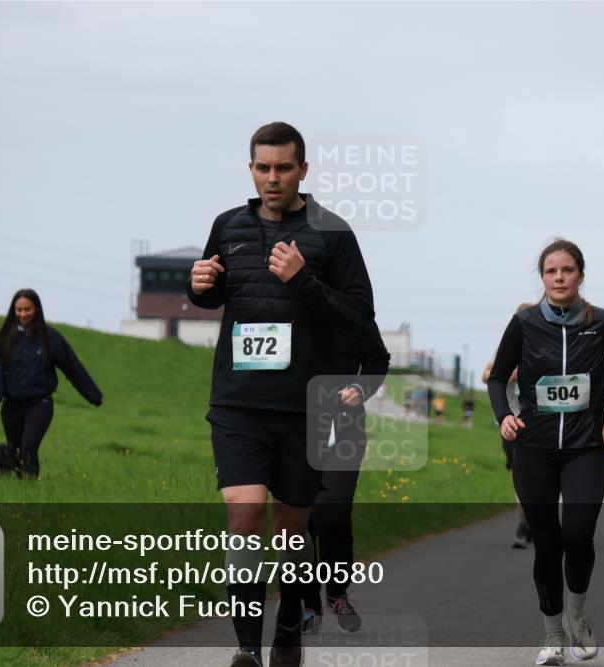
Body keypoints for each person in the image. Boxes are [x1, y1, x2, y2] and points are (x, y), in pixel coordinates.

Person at [187, 122, 375, 667]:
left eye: (283, 168)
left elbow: (360, 316)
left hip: (304, 407)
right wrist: (198, 288)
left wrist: (303, 281)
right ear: (251, 169)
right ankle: (246, 645)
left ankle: (289, 624)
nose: (273, 178)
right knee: (244, 512)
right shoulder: (228, 226)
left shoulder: (333, 234)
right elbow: (216, 292)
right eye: (263, 168)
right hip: (238, 401)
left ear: (303, 170)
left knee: (292, 531)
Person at [487, 239, 604, 665]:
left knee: (579, 535)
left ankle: (577, 615)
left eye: (567, 270)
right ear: (543, 278)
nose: (559, 278)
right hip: (534, 448)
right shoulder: (525, 322)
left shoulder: (603, 323)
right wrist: (504, 417)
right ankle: (551, 634)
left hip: (585, 447)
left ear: (580, 275)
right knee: (547, 542)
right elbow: (497, 377)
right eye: (551, 271)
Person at [302, 320, 390, 634]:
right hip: (294, 424)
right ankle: (309, 602)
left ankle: (337, 594)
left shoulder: (352, 310)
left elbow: (380, 359)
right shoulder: (289, 304)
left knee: (332, 512)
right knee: (302, 518)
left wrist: (360, 388)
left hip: (344, 428)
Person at [0, 289, 102, 477]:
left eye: (27, 309)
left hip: (40, 404)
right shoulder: (3, 337)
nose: (23, 314)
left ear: (37, 310)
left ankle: (30, 489)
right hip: (11, 405)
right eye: (19, 310)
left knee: (29, 447)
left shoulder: (51, 338)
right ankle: (20, 490)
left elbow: (72, 367)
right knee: (14, 450)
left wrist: (93, 395)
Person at [485, 302, 535, 549]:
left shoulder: (545, 345)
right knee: (519, 475)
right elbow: (488, 375)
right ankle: (525, 521)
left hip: (538, 419)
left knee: (541, 476)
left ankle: (532, 521)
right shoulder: (506, 346)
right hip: (511, 420)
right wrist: (505, 372)